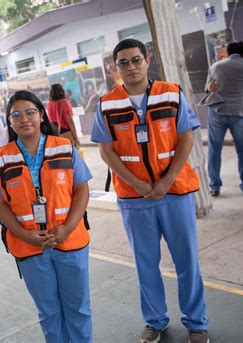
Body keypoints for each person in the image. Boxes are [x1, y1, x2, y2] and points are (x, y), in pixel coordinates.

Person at [91, 38, 209, 343]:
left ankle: (196, 323)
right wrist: (139, 184)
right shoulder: (107, 104)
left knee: (187, 262)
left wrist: (167, 181)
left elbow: (186, 139)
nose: (131, 67)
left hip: (176, 192)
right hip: (135, 198)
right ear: (114, 68)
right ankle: (155, 321)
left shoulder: (171, 94)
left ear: (148, 59)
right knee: (146, 264)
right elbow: (107, 152)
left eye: (136, 60)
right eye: (123, 63)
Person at [0, 90, 93, 342]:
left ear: (42, 115)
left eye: (30, 112)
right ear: (10, 121)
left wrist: (66, 228)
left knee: (78, 309)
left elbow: (82, 190)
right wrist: (24, 234)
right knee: (48, 312)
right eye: (16, 115)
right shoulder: (1, 158)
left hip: (69, 241)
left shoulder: (64, 147)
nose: (24, 119)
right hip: (29, 246)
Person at [204, 41, 243, 196]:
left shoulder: (216, 66)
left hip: (218, 111)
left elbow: (207, 89)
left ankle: (214, 186)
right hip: (241, 113)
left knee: (214, 149)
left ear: (228, 52)